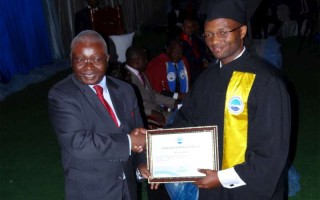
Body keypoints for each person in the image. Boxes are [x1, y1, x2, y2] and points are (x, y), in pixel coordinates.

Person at [167, 0, 292, 199]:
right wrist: (155, 144)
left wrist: (223, 178)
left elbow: (272, 152)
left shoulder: (265, 81)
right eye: (208, 34)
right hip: (210, 185)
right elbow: (187, 119)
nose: (214, 40)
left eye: (223, 32)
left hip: (247, 189)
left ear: (242, 32)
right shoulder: (206, 79)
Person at [48, 30, 152, 200]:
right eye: (81, 60)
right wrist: (129, 141)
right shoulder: (61, 95)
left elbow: (138, 129)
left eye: (97, 59)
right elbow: (78, 143)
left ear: (108, 59)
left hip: (128, 187)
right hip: (92, 190)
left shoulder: (126, 90)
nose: (88, 67)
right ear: (71, 60)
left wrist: (141, 161)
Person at [122, 46, 178, 128]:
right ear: (136, 61)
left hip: (159, 112)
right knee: (181, 121)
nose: (147, 61)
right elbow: (130, 106)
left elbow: (153, 95)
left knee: (183, 116)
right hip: (148, 117)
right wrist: (151, 112)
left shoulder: (141, 74)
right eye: (144, 59)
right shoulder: (126, 78)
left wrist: (173, 102)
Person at [179, 19, 211, 83]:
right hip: (188, 70)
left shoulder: (195, 38)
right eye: (188, 27)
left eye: (192, 27)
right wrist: (202, 64)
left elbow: (202, 51)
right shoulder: (179, 41)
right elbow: (188, 58)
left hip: (200, 67)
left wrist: (205, 60)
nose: (190, 29)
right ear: (182, 28)